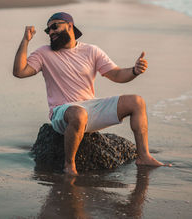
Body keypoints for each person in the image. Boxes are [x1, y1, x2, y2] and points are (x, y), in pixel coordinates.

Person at [13, 12, 171, 176]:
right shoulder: (44, 53)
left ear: (70, 26)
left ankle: (144, 156)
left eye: (54, 26)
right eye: (48, 30)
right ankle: (69, 166)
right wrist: (26, 41)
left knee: (136, 102)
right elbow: (19, 71)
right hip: (62, 111)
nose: (51, 32)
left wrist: (134, 71)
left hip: (91, 108)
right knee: (78, 113)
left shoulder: (91, 51)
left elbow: (116, 74)